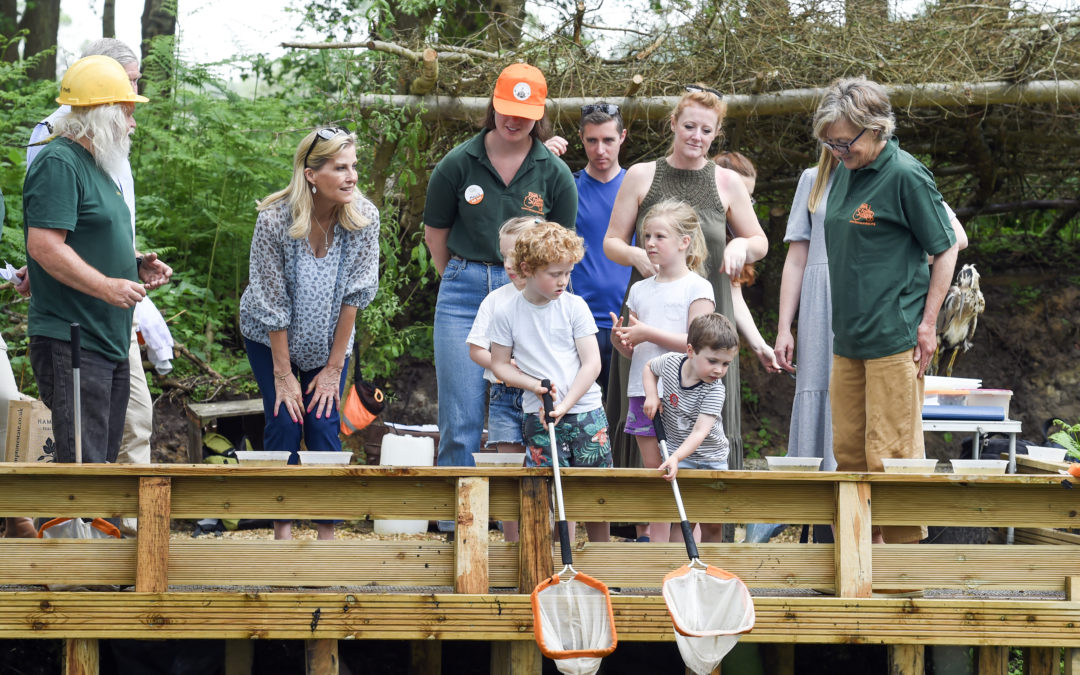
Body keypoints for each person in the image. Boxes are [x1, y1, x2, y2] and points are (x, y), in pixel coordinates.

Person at [423, 64, 578, 504]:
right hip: (464, 289)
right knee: (461, 413)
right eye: (506, 109)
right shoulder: (457, 163)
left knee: (523, 409)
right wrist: (458, 276)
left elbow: (562, 250)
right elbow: (436, 234)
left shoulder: (554, 173)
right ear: (493, 105)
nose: (513, 120)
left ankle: (521, 516)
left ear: (540, 114)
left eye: (524, 113)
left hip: (528, 295)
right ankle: (456, 520)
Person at [814, 77, 958, 545]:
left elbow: (947, 246)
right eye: (830, 141)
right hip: (848, 340)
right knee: (850, 457)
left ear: (876, 129)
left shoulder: (906, 175)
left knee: (893, 457)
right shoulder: (843, 170)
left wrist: (929, 324)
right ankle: (857, 572)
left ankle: (901, 580)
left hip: (896, 339)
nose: (837, 149)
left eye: (844, 140)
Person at [603, 84, 768, 474]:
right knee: (646, 410)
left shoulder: (725, 182)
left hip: (706, 317)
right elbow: (611, 241)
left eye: (706, 131)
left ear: (716, 134)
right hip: (652, 311)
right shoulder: (642, 175)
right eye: (689, 126)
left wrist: (741, 246)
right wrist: (634, 254)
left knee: (703, 414)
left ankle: (706, 519)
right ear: (674, 123)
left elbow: (760, 240)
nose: (697, 137)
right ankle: (644, 526)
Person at [23, 55, 167, 466]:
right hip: (73, 338)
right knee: (82, 467)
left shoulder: (101, 166)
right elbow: (45, 246)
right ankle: (71, 531)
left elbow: (90, 237)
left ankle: (98, 531)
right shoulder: (59, 163)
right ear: (102, 114)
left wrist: (135, 264)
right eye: (127, 112)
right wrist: (106, 286)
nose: (134, 123)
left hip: (108, 338)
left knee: (102, 462)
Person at [239, 126, 380, 541]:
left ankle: (326, 536)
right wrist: (284, 376)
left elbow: (356, 294)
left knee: (322, 423)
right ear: (310, 174)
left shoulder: (364, 218)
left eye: (354, 166)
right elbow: (271, 303)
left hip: (330, 338)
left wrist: (335, 368)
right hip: (270, 337)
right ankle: (281, 533)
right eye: (340, 168)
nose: (352, 176)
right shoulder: (273, 221)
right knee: (284, 418)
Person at [488, 221, 611, 543]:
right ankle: (551, 564)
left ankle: (603, 564)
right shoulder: (505, 312)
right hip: (538, 417)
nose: (563, 281)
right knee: (546, 491)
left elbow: (592, 363)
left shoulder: (574, 307)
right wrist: (534, 386)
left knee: (595, 493)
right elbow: (500, 365)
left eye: (567, 273)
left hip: (585, 413)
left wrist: (566, 404)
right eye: (555, 274)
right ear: (527, 268)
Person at [611, 199, 714, 542]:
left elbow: (697, 344)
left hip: (683, 394)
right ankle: (658, 558)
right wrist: (623, 341)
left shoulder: (697, 287)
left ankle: (688, 555)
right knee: (655, 473)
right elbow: (634, 347)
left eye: (660, 236)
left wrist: (646, 333)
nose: (650, 243)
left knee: (682, 472)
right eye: (646, 236)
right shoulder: (639, 289)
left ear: (685, 241)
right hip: (643, 392)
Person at [547, 102, 631, 401]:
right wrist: (541, 161)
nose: (600, 150)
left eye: (608, 140)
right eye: (592, 140)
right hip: (577, 325)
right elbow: (523, 222)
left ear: (622, 137)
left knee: (628, 425)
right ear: (581, 139)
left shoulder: (638, 186)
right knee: (578, 421)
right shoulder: (566, 186)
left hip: (630, 325)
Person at [466, 216, 540, 542]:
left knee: (541, 470)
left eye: (517, 255)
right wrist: (501, 365)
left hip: (541, 396)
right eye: (504, 255)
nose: (508, 264)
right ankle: (511, 543)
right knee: (509, 468)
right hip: (505, 395)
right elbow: (476, 348)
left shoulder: (554, 298)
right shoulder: (496, 299)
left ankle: (541, 539)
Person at [642, 313, 737, 543]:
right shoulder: (671, 362)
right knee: (684, 518)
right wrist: (652, 396)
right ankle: (681, 572)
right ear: (691, 351)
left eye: (726, 364)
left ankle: (710, 573)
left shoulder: (715, 390)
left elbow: (699, 433)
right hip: (679, 456)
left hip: (710, 458)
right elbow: (648, 367)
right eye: (713, 361)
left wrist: (674, 457)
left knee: (712, 522)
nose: (719, 370)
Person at [712, 151, 780, 373]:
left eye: (749, 197)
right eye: (739, 194)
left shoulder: (734, 238)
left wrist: (760, 346)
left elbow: (733, 295)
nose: (745, 205)